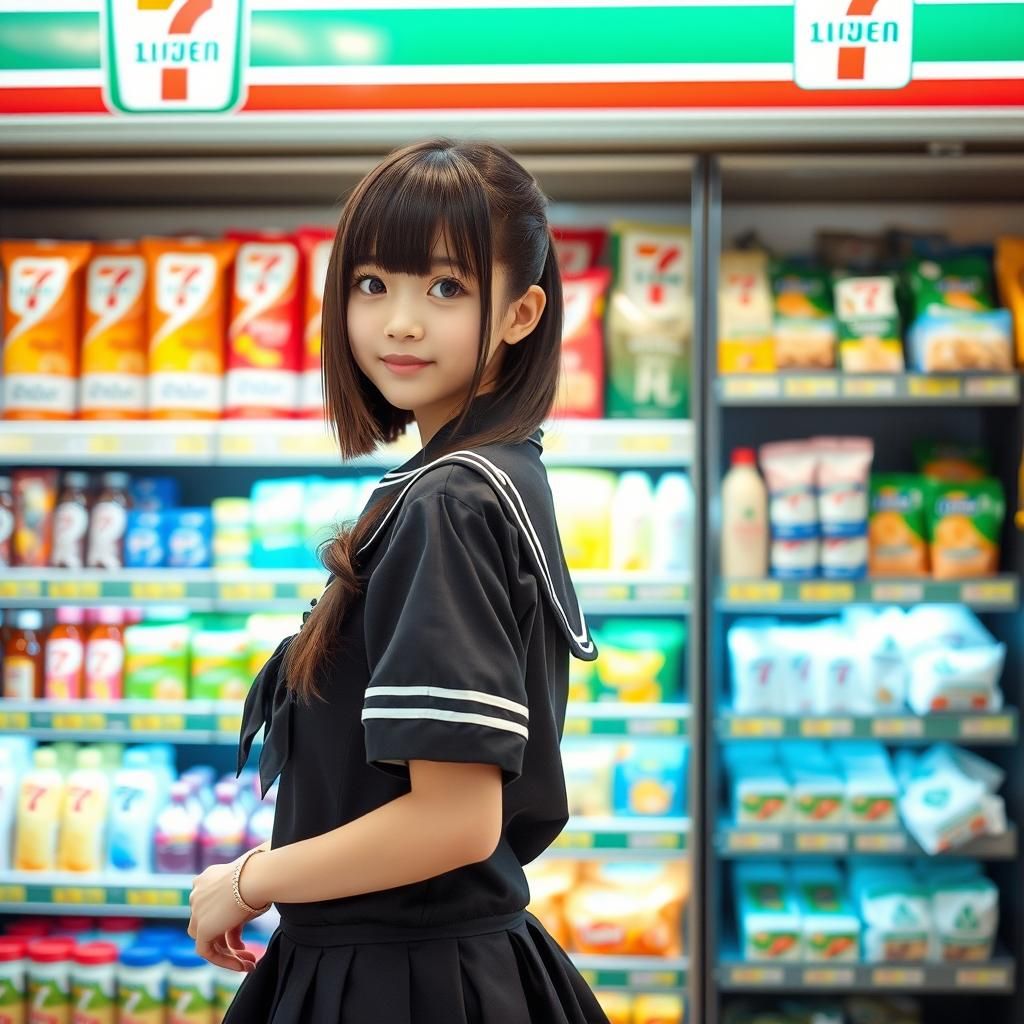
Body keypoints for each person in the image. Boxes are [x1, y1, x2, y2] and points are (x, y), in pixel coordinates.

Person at [187, 139, 611, 1023]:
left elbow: (454, 820)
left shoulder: (449, 502)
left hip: (404, 981)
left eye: (447, 288)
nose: (400, 322)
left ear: (522, 314)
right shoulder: (493, 475)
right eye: (373, 283)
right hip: (444, 964)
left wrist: (248, 879)